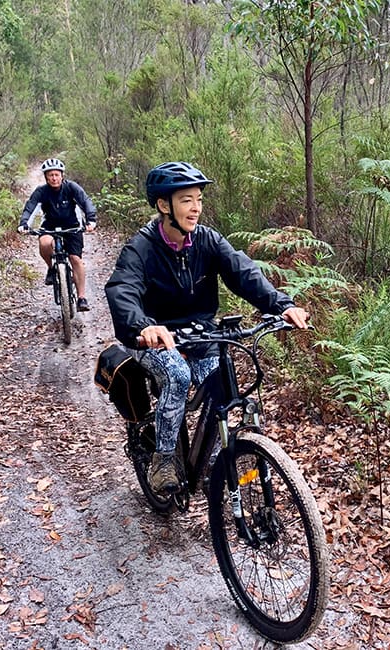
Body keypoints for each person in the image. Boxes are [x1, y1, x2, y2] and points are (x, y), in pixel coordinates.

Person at [105, 161, 309, 493]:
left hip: (200, 333)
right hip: (153, 338)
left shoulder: (207, 240)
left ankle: (218, 455)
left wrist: (282, 305)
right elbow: (122, 289)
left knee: (220, 383)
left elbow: (244, 274)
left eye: (199, 199)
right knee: (178, 375)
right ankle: (164, 459)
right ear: (163, 205)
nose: (196, 207)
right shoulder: (140, 248)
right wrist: (143, 326)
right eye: (187, 199)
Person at [17, 157, 98, 312]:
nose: (54, 178)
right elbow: (30, 208)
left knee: (75, 259)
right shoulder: (42, 192)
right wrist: (24, 224)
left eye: (56, 174)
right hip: (50, 227)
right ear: (46, 177)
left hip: (72, 227)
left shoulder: (72, 188)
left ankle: (82, 298)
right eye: (50, 175)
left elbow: (85, 202)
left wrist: (91, 220)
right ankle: (51, 268)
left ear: (62, 175)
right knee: (45, 243)